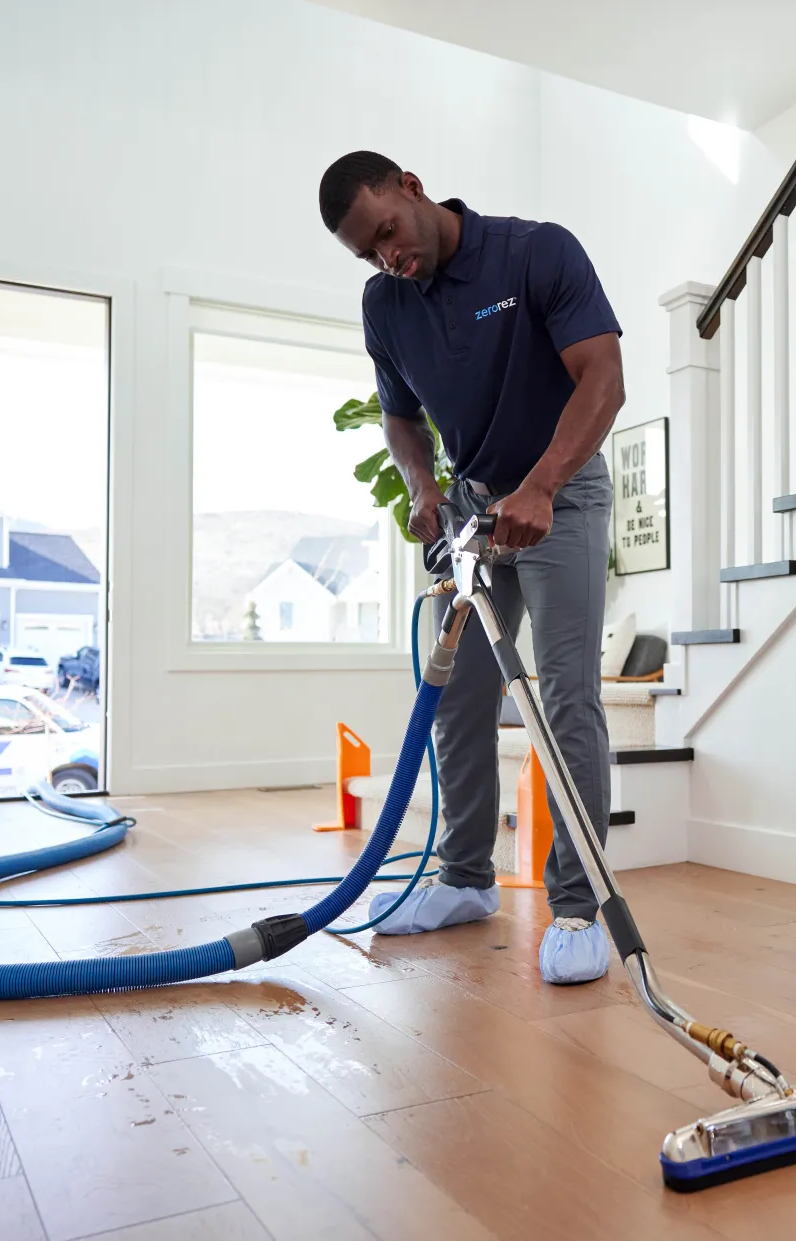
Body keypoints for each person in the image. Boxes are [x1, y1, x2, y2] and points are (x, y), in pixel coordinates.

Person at [319, 151, 625, 985]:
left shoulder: (533, 253)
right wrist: (423, 485)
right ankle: (463, 878)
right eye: (368, 252)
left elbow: (604, 377)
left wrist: (542, 485)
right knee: (457, 695)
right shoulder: (386, 304)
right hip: (473, 508)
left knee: (563, 695)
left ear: (411, 189)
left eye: (386, 230)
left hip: (560, 492)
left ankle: (576, 905)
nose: (389, 256)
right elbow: (399, 416)